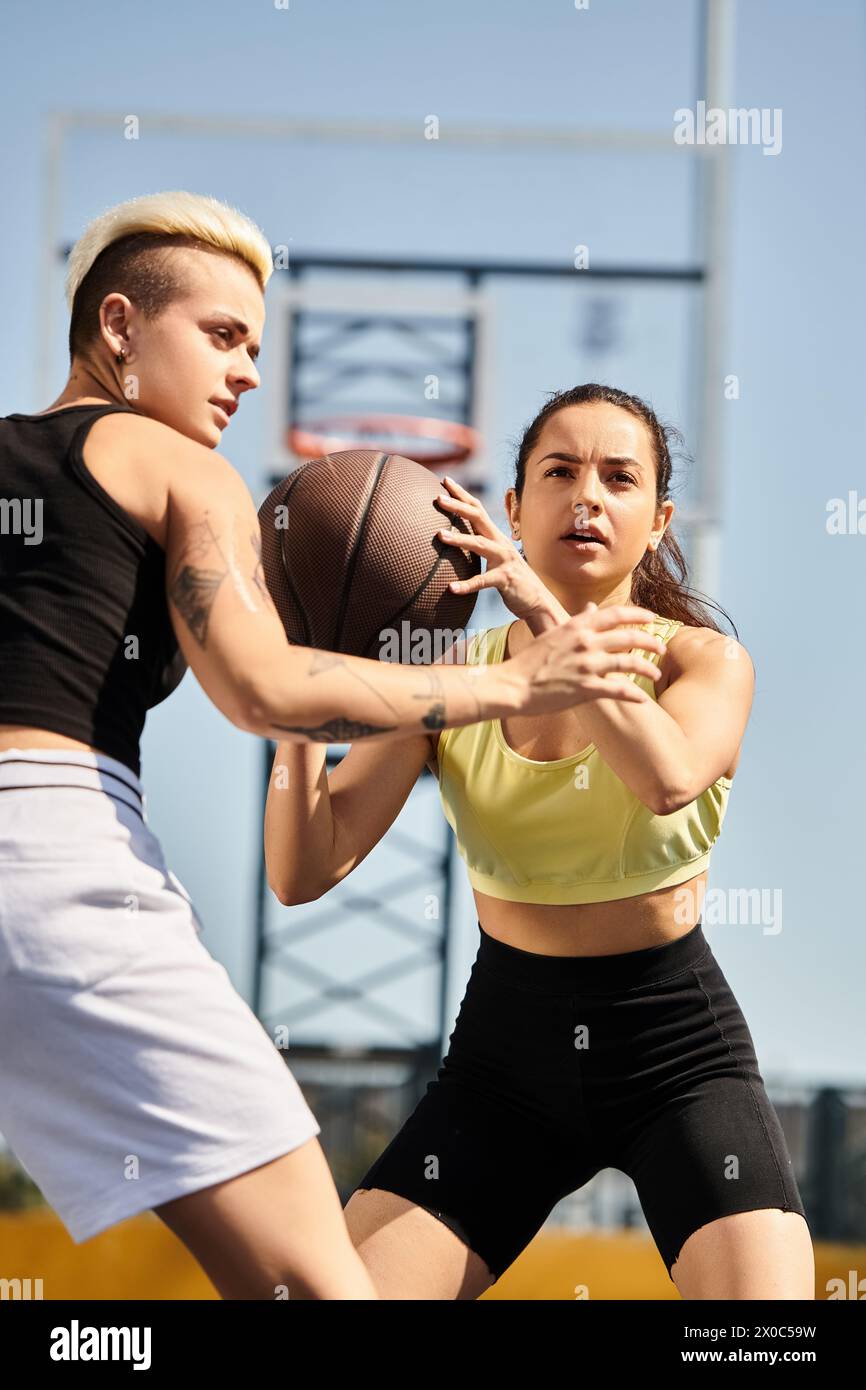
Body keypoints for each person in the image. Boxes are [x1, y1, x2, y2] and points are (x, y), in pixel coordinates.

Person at [0, 193, 665, 1300]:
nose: (249, 372)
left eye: (256, 346)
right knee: (320, 1287)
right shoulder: (178, 468)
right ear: (118, 326)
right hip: (56, 864)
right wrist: (510, 679)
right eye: (220, 336)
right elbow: (262, 690)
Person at [266, 383, 815, 1300]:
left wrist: (549, 621)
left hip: (675, 1050)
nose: (586, 495)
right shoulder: (451, 679)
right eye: (558, 472)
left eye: (618, 477)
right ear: (514, 508)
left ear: (658, 518)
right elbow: (303, 868)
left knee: (766, 1344)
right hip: (504, 1062)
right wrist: (290, 696)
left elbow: (666, 776)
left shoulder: (702, 662)